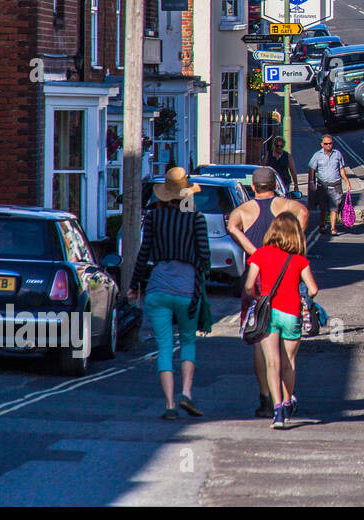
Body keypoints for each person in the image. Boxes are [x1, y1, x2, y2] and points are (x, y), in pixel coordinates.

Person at [227, 167, 309, 418]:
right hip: (285, 277)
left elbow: (232, 226)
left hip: (259, 278)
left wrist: (254, 251)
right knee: (287, 341)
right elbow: (303, 212)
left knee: (259, 338)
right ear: (275, 184)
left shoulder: (244, 210)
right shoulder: (285, 205)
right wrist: (295, 245)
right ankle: (285, 397)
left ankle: (265, 397)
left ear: (253, 187)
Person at [132, 167, 211, 420]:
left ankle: (169, 405)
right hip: (188, 290)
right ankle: (186, 393)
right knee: (188, 340)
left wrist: (134, 284)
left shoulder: (154, 218)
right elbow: (205, 258)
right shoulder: (195, 218)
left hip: (157, 288)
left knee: (164, 346)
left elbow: (144, 254)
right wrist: (200, 283)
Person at [244, 212, 319, 430]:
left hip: (269, 313)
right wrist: (303, 296)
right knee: (289, 362)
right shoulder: (299, 260)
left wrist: (260, 298)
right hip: (292, 313)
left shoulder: (261, 254)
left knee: (272, 363)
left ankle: (277, 412)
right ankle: (288, 402)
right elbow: (313, 290)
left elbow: (249, 285)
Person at [307, 134, 352, 236]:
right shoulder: (317, 155)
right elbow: (311, 169)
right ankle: (322, 225)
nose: (328, 145)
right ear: (322, 144)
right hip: (322, 186)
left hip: (335, 185)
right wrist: (311, 182)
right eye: (326, 144)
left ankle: (333, 228)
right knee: (323, 208)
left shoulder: (337, 154)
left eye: (330, 143)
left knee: (334, 208)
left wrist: (347, 182)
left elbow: (341, 169)